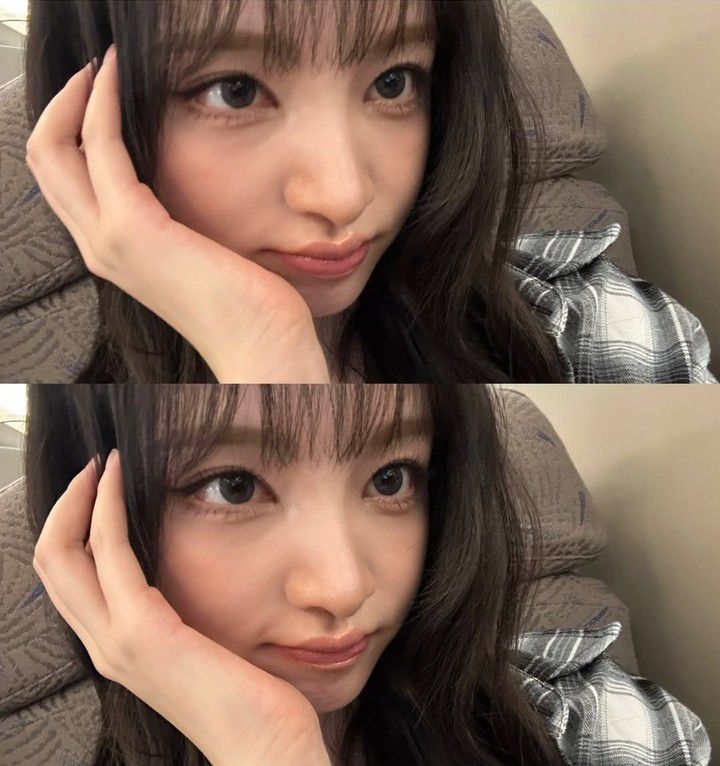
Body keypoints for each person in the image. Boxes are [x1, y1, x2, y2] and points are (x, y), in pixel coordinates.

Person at [20, 0, 716, 384]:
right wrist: (264, 348)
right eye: (234, 91)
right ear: (94, 130)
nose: (343, 196)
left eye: (392, 82)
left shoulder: (602, 328)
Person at [24, 384, 711, 765]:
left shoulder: (596, 724)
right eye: (234, 486)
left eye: (391, 479)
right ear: (93, 530)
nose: (343, 587)